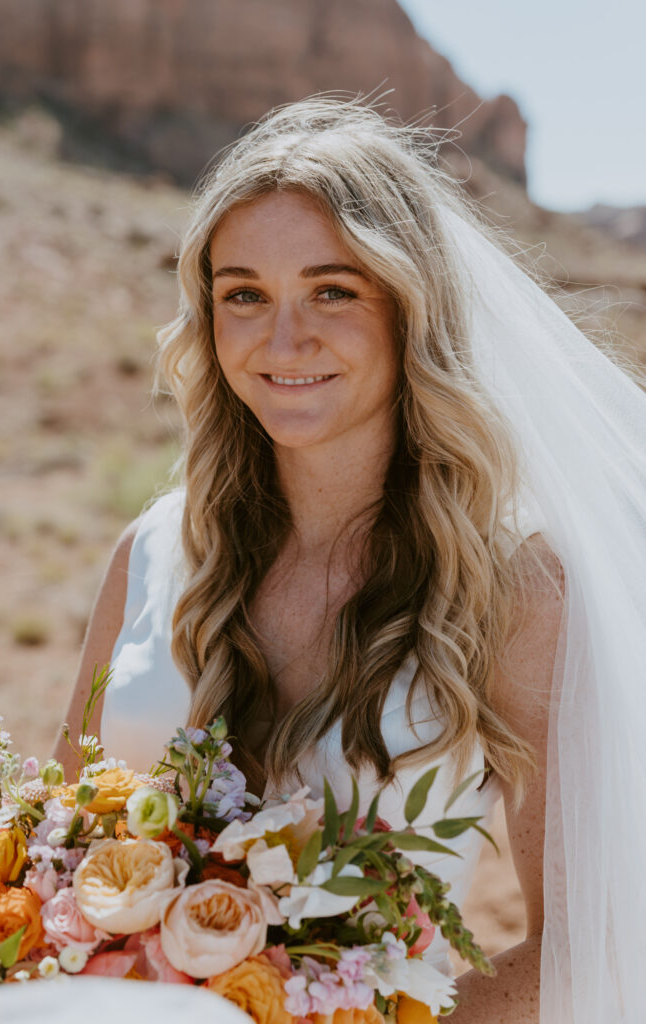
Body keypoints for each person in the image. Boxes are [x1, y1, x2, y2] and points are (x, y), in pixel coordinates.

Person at [55, 99, 646, 1023]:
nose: (282, 340)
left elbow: (580, 944)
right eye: (243, 293)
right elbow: (59, 847)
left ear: (410, 309)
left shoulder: (514, 588)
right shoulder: (150, 556)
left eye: (333, 289)